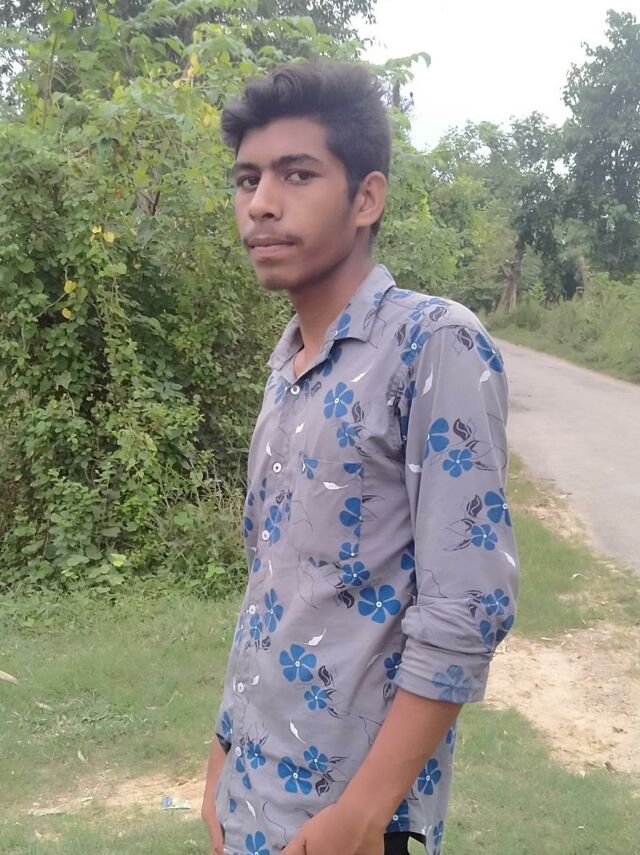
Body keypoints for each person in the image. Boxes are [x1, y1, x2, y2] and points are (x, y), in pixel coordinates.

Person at [201, 61, 519, 855]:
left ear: (366, 197)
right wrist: (221, 753)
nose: (261, 202)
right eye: (247, 179)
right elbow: (272, 583)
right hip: (251, 798)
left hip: (351, 824)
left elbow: (466, 609)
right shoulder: (288, 367)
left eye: (297, 174)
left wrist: (360, 816)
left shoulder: (433, 345)